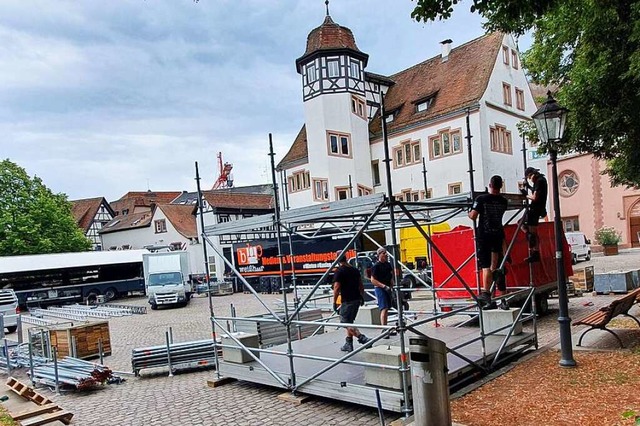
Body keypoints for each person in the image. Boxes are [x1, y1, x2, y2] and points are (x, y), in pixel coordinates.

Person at [469, 175, 509, 309]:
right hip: (497, 234)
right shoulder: (504, 201)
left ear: (490, 185)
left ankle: (486, 293)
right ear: (500, 186)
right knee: (494, 266)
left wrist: (470, 211)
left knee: (485, 266)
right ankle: (501, 297)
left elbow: (473, 216)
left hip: (484, 235)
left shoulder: (481, 199)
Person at [332, 253, 370, 352]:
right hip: (356, 299)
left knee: (344, 322)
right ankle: (348, 343)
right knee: (350, 322)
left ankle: (362, 338)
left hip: (347, 300)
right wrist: (361, 296)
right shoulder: (354, 270)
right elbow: (361, 285)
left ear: (338, 260)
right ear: (346, 258)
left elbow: (336, 288)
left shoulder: (339, 271)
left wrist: (334, 302)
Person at [520, 167, 548, 263]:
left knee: (524, 226)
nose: (530, 179)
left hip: (535, 209)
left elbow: (535, 197)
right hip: (539, 208)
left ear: (532, 175)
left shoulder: (539, 181)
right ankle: (534, 250)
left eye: (529, 177)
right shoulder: (541, 180)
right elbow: (536, 191)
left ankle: (535, 252)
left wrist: (525, 195)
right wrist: (528, 187)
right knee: (532, 231)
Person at [370, 247, 396, 337]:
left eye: (386, 253)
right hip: (380, 289)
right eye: (384, 253)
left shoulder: (388, 265)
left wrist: (392, 285)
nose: (386, 255)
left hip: (388, 288)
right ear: (379, 254)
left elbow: (391, 275)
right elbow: (373, 280)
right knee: (384, 308)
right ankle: (384, 330)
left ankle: (386, 328)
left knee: (387, 308)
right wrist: (383, 286)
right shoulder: (376, 266)